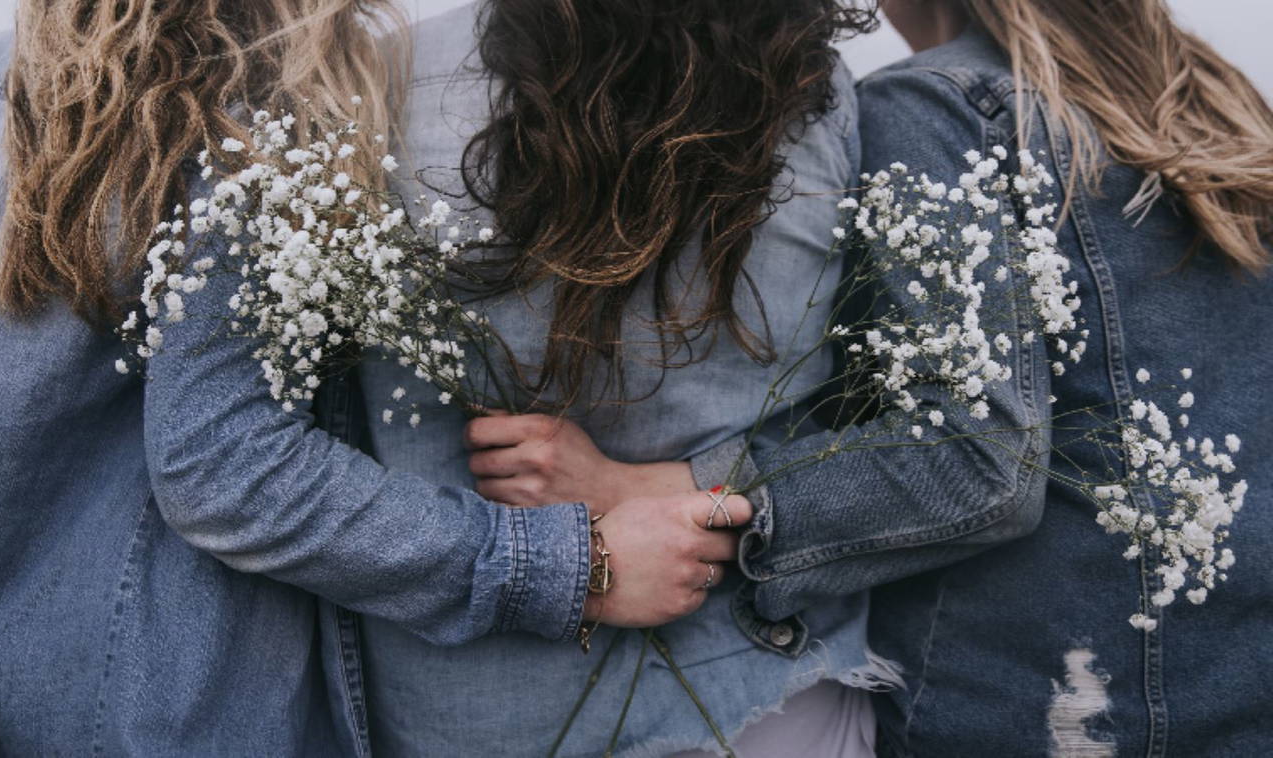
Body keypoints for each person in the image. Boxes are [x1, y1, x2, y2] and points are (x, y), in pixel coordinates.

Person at [479, 0, 1273, 754]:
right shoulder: (1226, 115)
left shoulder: (939, 107)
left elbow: (976, 457)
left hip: (1032, 706)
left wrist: (666, 487)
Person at [0, 0, 744, 753]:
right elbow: (225, 466)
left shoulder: (29, 81)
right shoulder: (235, 106)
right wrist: (575, 567)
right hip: (160, 715)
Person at [309, 0, 896, 755]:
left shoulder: (375, 78)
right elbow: (877, 413)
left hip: (491, 711)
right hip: (763, 688)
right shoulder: (818, 86)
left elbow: (264, 456)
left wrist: (626, 496)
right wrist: (696, 489)